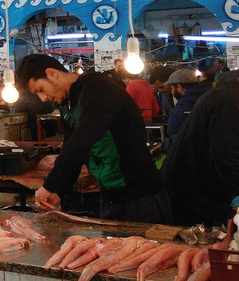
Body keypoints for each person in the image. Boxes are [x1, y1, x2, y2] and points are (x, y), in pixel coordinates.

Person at [16, 54, 171, 223]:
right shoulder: (66, 103)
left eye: (40, 90)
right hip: (109, 197)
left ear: (52, 73)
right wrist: (58, 191)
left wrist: (50, 185)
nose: (43, 98)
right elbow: (71, 146)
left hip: (141, 198)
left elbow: (82, 140)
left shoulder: (98, 88)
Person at [162, 57, 239, 226]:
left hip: (189, 190)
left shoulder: (229, 93)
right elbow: (227, 159)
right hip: (191, 196)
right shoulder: (230, 102)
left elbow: (225, 143)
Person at [163, 68, 211, 142]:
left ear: (179, 87)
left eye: (172, 88)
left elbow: (173, 133)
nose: (172, 92)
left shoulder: (183, 105)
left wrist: (164, 147)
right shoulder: (210, 95)